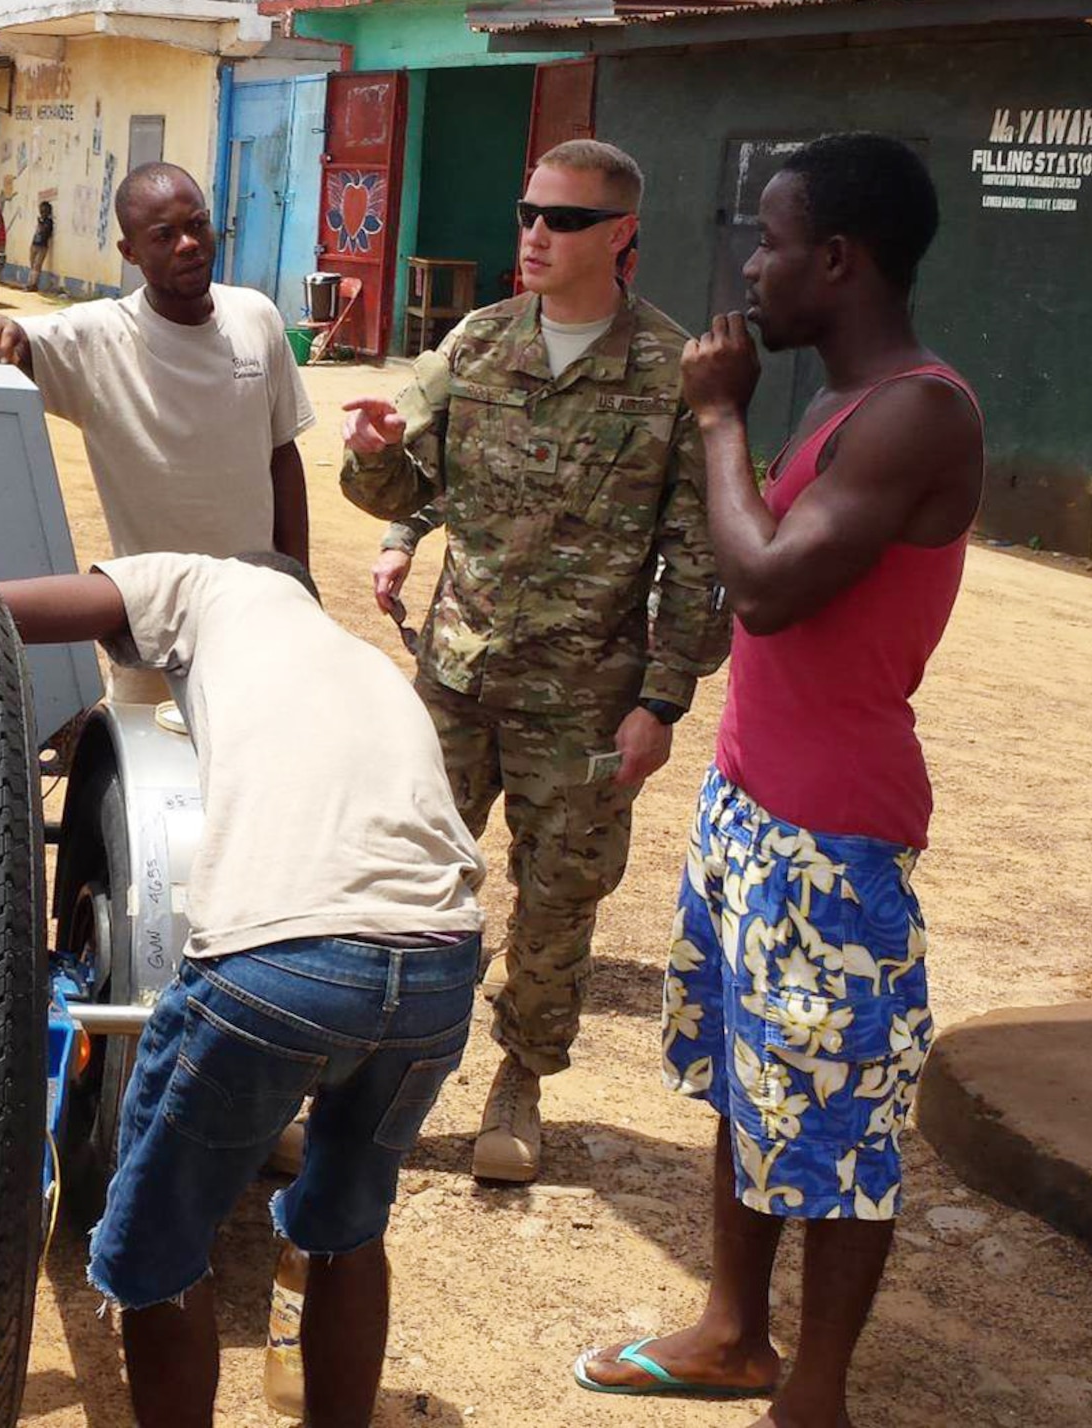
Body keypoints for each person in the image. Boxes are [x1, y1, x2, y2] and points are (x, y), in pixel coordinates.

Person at [573, 134, 983, 1428]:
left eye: (771, 242)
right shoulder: (840, 402)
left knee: (843, 1127)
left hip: (834, 838)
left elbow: (764, 581)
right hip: (755, 809)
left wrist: (714, 416)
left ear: (839, 260)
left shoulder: (920, 411)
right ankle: (734, 1334)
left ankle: (814, 1394)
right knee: (758, 1085)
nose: (751, 268)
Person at [0, 550, 485, 1428]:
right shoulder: (365, 665)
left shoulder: (212, 584)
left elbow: (19, 606)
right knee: (348, 1222)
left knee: (153, 1246)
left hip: (284, 966)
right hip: (440, 966)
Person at [337, 139, 729, 1183]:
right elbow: (398, 489)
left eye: (560, 219)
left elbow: (696, 555)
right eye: (526, 214)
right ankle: (360, 1074)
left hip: (588, 704)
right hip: (457, 675)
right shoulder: (472, 344)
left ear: (619, 236)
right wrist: (375, 456)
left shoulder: (670, 374)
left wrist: (662, 699)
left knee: (555, 902)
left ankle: (518, 1081)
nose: (534, 235)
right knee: (404, 875)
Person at [0, 162, 314, 698]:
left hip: (258, 613)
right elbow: (22, 340)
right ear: (130, 253)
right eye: (164, 235)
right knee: (148, 765)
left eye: (197, 224)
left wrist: (299, 582)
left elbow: (281, 454)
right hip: (154, 625)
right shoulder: (100, 336)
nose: (189, 244)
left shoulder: (257, 317)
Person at [26, 198, 55, 294]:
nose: (42, 212)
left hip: (42, 246)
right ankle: (30, 283)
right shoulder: (41, 220)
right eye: (41, 210)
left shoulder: (48, 221)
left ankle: (32, 285)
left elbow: (45, 231)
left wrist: (41, 222)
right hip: (35, 244)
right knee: (32, 265)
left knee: (37, 265)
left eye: (44, 210)